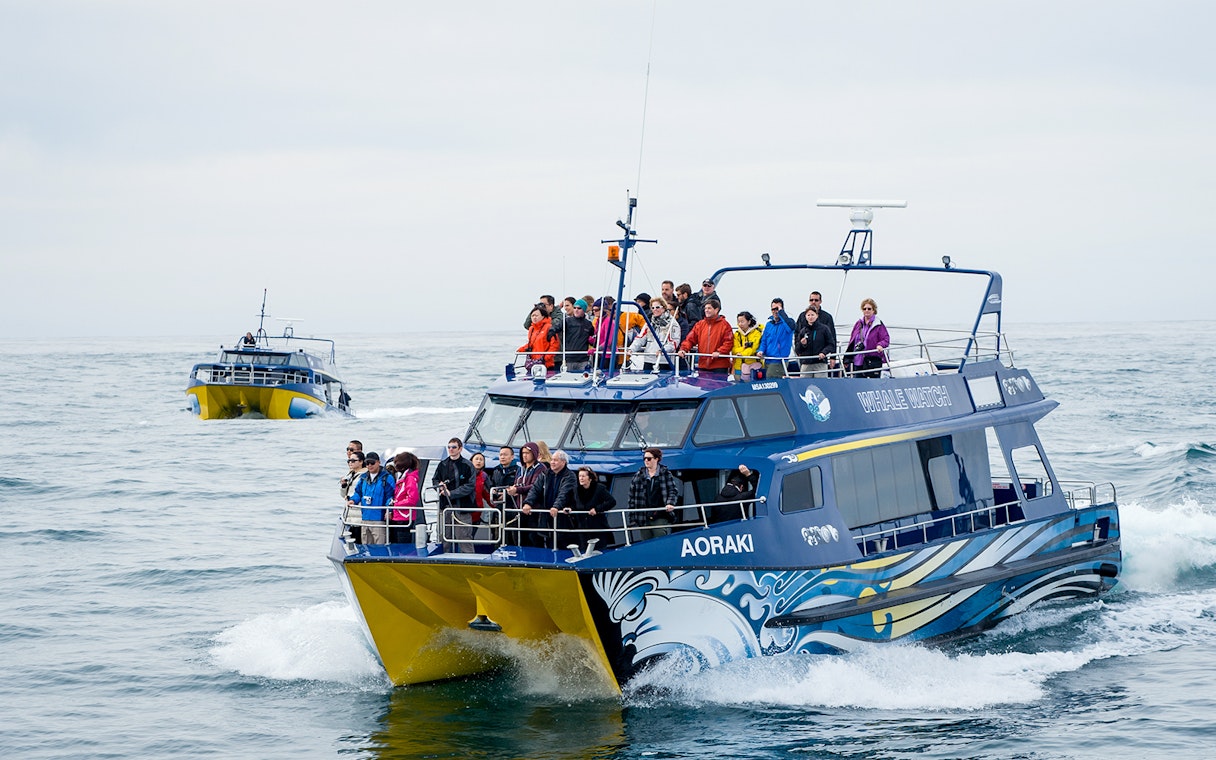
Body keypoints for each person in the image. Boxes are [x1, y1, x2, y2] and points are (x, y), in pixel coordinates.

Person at [522, 449, 577, 549]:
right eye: (551, 460)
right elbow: (535, 489)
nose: (552, 462)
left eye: (555, 460)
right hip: (546, 516)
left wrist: (556, 506)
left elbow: (564, 493)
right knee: (547, 542)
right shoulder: (545, 474)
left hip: (564, 518)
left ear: (563, 462)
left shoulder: (570, 476)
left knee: (563, 545)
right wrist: (528, 503)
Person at [628, 447, 681, 540]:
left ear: (656, 459)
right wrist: (632, 516)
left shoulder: (665, 473)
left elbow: (672, 490)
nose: (646, 461)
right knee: (646, 541)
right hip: (643, 515)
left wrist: (670, 503)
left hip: (660, 513)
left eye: (649, 458)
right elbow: (632, 497)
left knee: (660, 537)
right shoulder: (638, 475)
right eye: (644, 458)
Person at [433, 437, 476, 552]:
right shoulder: (442, 464)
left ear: (460, 449)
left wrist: (451, 493)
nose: (451, 449)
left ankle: (469, 559)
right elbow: (435, 480)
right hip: (445, 506)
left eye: (454, 447)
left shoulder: (468, 465)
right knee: (444, 536)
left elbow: (470, 486)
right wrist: (439, 486)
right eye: (449, 447)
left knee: (464, 537)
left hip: (462, 507)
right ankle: (443, 558)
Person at [678, 297, 733, 376]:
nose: (706, 310)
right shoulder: (700, 324)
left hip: (719, 365)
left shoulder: (725, 325)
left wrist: (719, 352)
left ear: (716, 310)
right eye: (705, 308)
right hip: (703, 365)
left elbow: (729, 342)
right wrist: (683, 349)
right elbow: (690, 339)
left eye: (709, 308)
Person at [348, 452, 395, 544]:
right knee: (366, 545)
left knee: (380, 546)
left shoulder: (387, 478)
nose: (369, 465)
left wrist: (389, 511)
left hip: (379, 520)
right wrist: (353, 500)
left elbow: (390, 496)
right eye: (367, 463)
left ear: (378, 462)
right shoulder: (363, 478)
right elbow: (358, 493)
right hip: (365, 518)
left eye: (372, 463)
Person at [505, 442, 546, 546]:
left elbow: (535, 486)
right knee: (518, 539)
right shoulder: (520, 469)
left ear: (534, 454)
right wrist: (512, 490)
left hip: (534, 511)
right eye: (523, 453)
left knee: (534, 539)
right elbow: (517, 484)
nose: (524, 455)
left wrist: (518, 490)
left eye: (527, 453)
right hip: (519, 509)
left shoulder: (541, 468)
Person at [629, 297, 681, 372]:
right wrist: (631, 349)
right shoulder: (649, 323)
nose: (655, 309)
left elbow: (674, 342)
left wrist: (663, 350)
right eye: (652, 308)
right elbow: (640, 338)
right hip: (648, 360)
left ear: (664, 308)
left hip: (664, 361)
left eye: (657, 307)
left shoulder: (672, 324)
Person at [572, 466, 616, 551]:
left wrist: (597, 509)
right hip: (583, 528)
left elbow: (612, 501)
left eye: (583, 476)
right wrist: (570, 508)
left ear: (590, 478)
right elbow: (574, 504)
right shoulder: (576, 490)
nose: (581, 478)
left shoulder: (599, 488)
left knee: (599, 550)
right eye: (579, 476)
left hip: (597, 527)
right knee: (584, 551)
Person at [847, 298, 890, 378]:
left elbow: (886, 339)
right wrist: (847, 357)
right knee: (858, 381)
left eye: (869, 309)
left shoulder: (878, 325)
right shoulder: (858, 323)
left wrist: (880, 345)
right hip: (859, 359)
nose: (866, 310)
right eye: (864, 309)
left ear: (874, 310)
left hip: (872, 360)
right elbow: (852, 339)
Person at [551, 298, 594, 372]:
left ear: (584, 310)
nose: (576, 310)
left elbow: (593, 338)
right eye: (575, 308)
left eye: (579, 308)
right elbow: (556, 328)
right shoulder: (566, 321)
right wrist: (551, 332)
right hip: (569, 358)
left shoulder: (588, 324)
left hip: (583, 359)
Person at [757, 298, 795, 379]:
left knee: (771, 380)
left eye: (777, 309)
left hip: (779, 361)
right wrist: (761, 350)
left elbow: (791, 328)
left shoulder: (789, 322)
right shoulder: (769, 324)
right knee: (766, 381)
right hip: (767, 359)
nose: (775, 311)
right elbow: (764, 340)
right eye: (773, 309)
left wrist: (782, 313)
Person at [794, 305, 836, 377]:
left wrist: (824, 352)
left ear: (817, 316)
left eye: (812, 315)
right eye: (808, 315)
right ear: (805, 316)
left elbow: (831, 344)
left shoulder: (824, 329)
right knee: (804, 383)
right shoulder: (803, 331)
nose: (810, 317)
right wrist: (802, 344)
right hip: (806, 363)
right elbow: (798, 350)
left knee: (820, 383)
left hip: (820, 363)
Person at [390, 451, 422, 543]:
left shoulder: (410, 478)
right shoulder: (402, 477)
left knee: (402, 542)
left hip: (405, 516)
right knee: (395, 541)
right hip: (398, 515)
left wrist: (396, 504)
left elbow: (412, 499)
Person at [519, 305, 559, 369]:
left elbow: (554, 345)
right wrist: (520, 350)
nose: (534, 317)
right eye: (532, 316)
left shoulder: (549, 328)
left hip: (546, 364)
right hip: (533, 363)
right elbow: (531, 344)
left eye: (536, 315)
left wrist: (546, 358)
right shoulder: (531, 329)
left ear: (543, 316)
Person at [731, 311, 764, 381]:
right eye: (738, 322)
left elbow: (752, 349)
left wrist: (742, 354)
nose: (740, 324)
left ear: (749, 322)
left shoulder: (757, 333)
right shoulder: (737, 334)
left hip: (754, 366)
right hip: (738, 366)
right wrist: (743, 347)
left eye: (742, 321)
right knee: (738, 384)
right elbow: (734, 350)